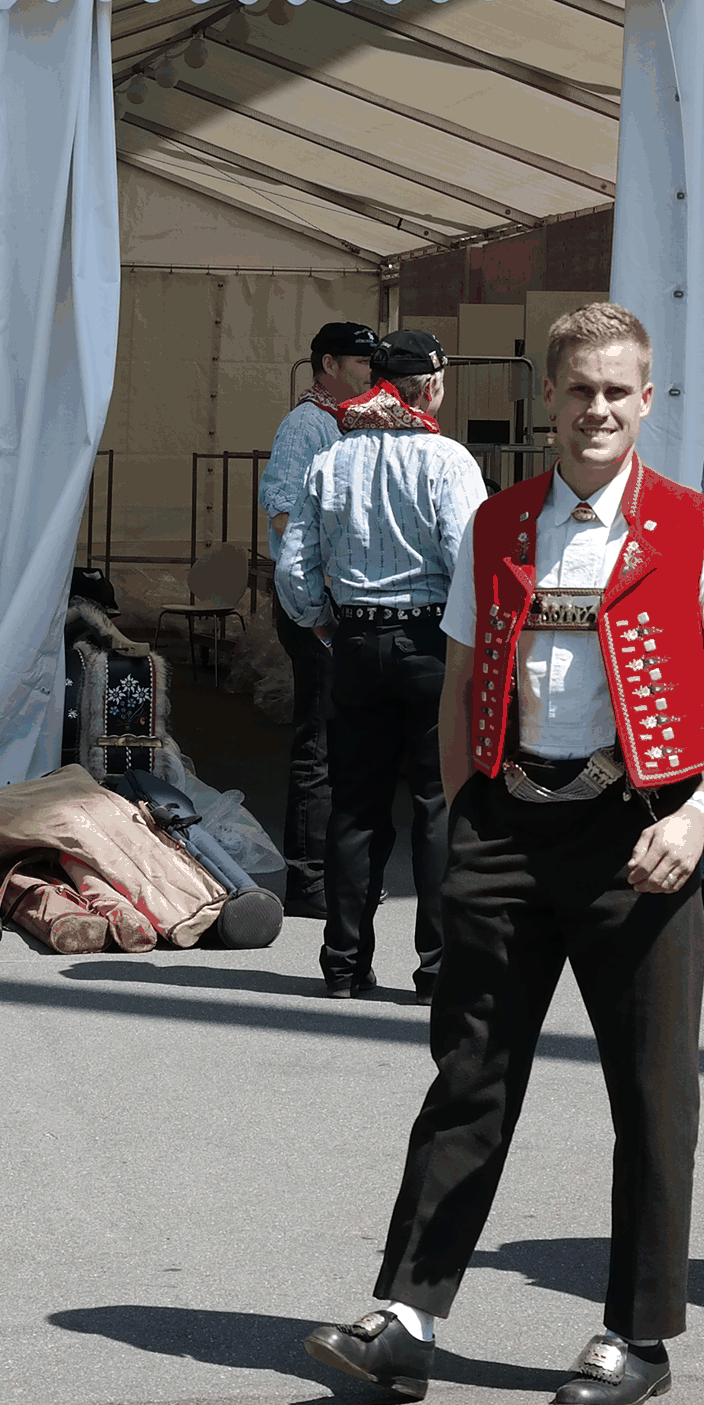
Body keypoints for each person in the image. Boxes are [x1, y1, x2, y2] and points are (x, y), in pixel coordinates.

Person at [299, 304, 704, 1405]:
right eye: (579, 390)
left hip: (646, 831)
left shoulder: (699, 526)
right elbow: (463, 673)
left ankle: (636, 1330)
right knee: (468, 1074)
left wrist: (701, 816)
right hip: (510, 824)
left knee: (651, 1091)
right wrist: (471, 807)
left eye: (619, 391)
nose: (598, 410)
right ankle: (408, 1317)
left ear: (647, 399)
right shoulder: (497, 526)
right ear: (548, 399)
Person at [273, 330, 489, 1005]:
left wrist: (324, 621)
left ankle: (342, 963)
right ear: (432, 386)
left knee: (356, 808)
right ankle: (437, 969)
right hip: (428, 643)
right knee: (437, 804)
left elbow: (293, 565)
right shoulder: (448, 460)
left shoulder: (332, 459)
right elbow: (470, 564)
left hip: (357, 640)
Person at [257, 321, 382, 915]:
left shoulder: (346, 421)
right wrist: (321, 577)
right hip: (315, 607)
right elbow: (282, 508)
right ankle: (307, 879)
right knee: (320, 744)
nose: (369, 369)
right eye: (361, 360)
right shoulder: (306, 423)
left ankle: (331, 870)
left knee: (341, 739)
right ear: (329, 364)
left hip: (334, 603)